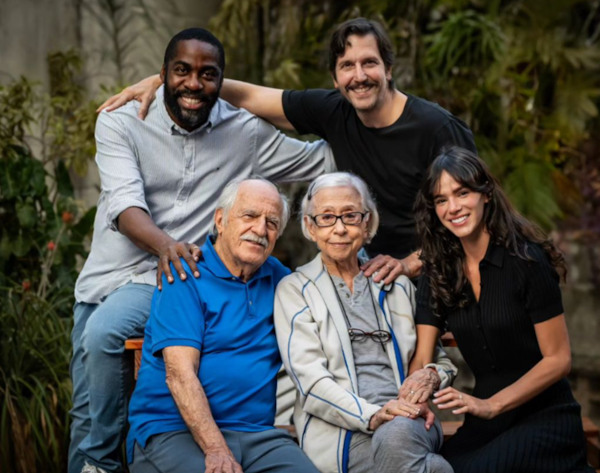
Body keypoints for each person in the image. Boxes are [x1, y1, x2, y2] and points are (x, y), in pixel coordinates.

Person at [70, 27, 334, 473]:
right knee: (88, 402)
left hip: (183, 281)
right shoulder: (121, 120)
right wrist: (168, 246)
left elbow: (322, 159)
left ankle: (114, 461)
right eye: (181, 72)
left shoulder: (244, 131)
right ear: (163, 74)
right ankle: (96, 464)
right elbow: (124, 204)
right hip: (119, 277)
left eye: (207, 75)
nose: (194, 84)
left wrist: (367, 119)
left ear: (221, 81)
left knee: (106, 336)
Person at [98, 17, 476, 285]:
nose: (359, 75)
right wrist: (171, 81)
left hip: (434, 272)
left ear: (389, 69)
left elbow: (470, 218)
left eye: (369, 63)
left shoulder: (437, 130)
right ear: (335, 77)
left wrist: (409, 265)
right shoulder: (333, 110)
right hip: (368, 272)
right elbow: (249, 95)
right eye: (347, 66)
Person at [412, 147, 594, 473]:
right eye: (441, 200)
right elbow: (422, 357)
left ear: (486, 195)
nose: (452, 207)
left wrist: (491, 405)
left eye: (462, 193)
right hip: (485, 424)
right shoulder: (438, 269)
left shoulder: (527, 261)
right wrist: (416, 394)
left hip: (544, 415)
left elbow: (559, 359)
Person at [127, 178, 319, 473]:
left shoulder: (280, 280)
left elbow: (326, 284)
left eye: (271, 222)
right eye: (250, 216)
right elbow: (180, 376)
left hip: (256, 435)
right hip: (174, 431)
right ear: (221, 219)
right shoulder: (185, 275)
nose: (260, 230)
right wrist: (216, 449)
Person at [273, 172, 458, 473]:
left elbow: (441, 361)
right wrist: (375, 414)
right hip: (339, 434)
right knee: (430, 467)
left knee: (398, 435)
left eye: (351, 216)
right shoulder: (295, 290)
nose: (340, 228)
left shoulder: (396, 285)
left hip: (411, 420)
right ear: (310, 226)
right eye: (327, 217)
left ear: (367, 222)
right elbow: (311, 382)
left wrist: (432, 377)